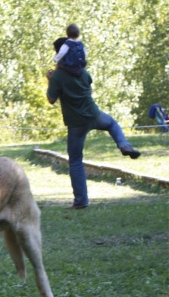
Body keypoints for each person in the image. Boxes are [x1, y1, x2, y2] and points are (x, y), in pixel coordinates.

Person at [46, 37, 141, 210]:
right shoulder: (83, 72)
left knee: (75, 160)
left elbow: (51, 99)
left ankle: (81, 201)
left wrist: (50, 80)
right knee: (112, 124)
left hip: (76, 123)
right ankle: (123, 144)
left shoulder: (58, 76)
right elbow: (89, 90)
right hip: (94, 114)